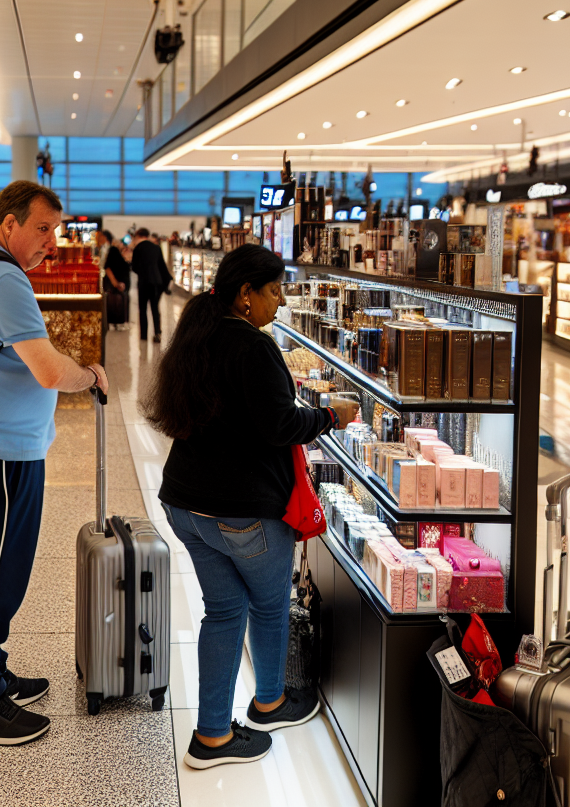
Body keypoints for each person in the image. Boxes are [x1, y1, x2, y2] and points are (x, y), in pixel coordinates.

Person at [143, 244, 360, 769]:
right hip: (243, 510)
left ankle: (212, 735)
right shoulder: (252, 347)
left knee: (223, 612)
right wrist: (332, 415)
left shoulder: (198, 334)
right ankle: (270, 702)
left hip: (186, 505)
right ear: (246, 294)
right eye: (274, 290)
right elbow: (280, 426)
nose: (281, 303)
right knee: (267, 606)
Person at [0, 180, 109, 746]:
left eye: (55, 230)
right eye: (42, 228)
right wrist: (92, 376)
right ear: (7, 223)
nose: (51, 242)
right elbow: (48, 371)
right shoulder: (2, 277)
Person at [130, 227, 171, 342]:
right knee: (154, 308)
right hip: (156, 282)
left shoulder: (138, 248)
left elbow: (134, 267)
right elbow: (161, 265)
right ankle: (157, 333)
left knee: (142, 309)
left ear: (138, 235)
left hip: (144, 282)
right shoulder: (156, 248)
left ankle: (144, 335)